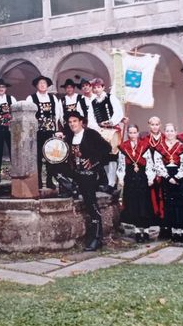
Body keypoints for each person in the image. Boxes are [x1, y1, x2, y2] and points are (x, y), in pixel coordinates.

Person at [57, 111, 112, 251]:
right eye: (70, 122)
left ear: (81, 122)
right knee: (54, 168)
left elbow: (107, 148)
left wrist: (93, 160)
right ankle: (72, 188)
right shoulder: (69, 137)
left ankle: (96, 238)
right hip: (76, 173)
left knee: (90, 203)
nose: (72, 124)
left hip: (90, 173)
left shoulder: (91, 134)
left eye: (75, 121)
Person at [146, 122, 183, 242]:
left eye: (172, 131)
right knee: (169, 205)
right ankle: (174, 231)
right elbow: (158, 164)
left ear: (176, 132)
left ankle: (182, 230)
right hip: (166, 178)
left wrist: (177, 177)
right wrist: (168, 177)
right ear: (164, 133)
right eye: (167, 131)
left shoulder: (182, 146)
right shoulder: (159, 148)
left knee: (181, 204)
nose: (169, 133)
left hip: (180, 178)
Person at [116, 125, 154, 243]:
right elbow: (121, 164)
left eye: (134, 132)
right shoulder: (124, 147)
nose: (132, 135)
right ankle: (138, 231)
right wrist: (121, 178)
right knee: (134, 204)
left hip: (142, 177)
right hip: (130, 178)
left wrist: (150, 177)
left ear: (138, 133)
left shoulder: (144, 146)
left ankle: (146, 231)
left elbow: (149, 163)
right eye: (130, 133)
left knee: (144, 203)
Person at [88, 78, 124, 193]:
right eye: (94, 88)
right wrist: (98, 125)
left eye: (99, 87)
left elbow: (119, 112)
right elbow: (91, 118)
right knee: (104, 157)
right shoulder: (93, 102)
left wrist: (111, 121)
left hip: (112, 130)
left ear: (103, 87)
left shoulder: (110, 97)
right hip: (101, 131)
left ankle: (112, 183)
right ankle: (107, 182)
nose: (97, 89)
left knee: (113, 156)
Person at [25, 75, 61, 189]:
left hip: (50, 131)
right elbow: (27, 115)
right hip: (37, 132)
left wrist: (55, 130)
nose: (42, 85)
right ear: (36, 85)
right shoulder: (31, 98)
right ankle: (38, 180)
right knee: (38, 156)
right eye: (40, 83)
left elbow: (57, 115)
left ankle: (49, 180)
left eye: (44, 83)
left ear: (47, 86)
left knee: (51, 156)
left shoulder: (53, 98)